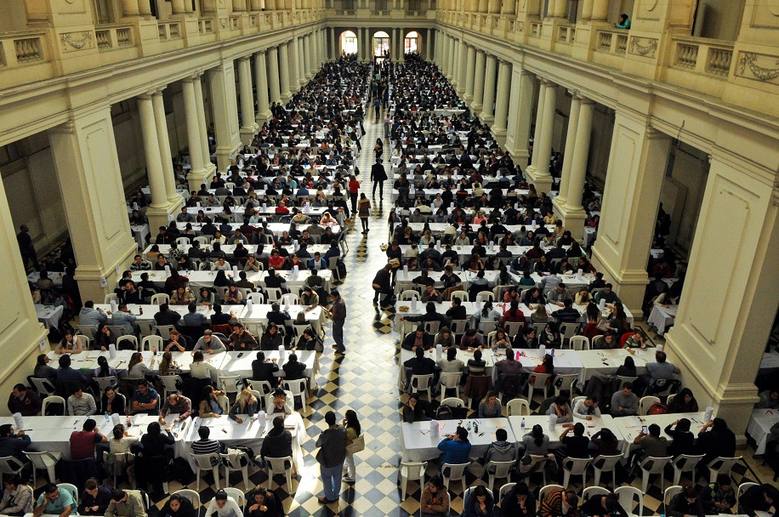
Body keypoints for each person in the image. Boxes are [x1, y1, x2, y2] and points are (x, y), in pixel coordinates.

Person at [316, 411, 347, 504]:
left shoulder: (325, 435)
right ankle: (336, 495)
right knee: (338, 478)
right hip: (339, 460)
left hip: (328, 462)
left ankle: (329, 498)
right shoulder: (342, 430)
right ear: (335, 419)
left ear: (326, 421)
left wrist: (321, 435)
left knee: (327, 480)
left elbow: (317, 444)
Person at [343, 409, 362, 483]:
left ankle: (352, 477)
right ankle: (345, 466)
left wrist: (343, 425)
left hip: (349, 447)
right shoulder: (356, 424)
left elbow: (344, 436)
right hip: (352, 445)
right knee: (348, 459)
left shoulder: (350, 430)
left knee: (350, 460)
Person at [329, 290, 347, 354]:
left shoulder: (339, 304)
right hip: (337, 320)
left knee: (335, 335)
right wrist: (330, 310)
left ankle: (341, 348)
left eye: (332, 297)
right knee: (339, 333)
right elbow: (334, 307)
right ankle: (339, 344)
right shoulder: (337, 301)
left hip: (338, 321)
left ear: (336, 296)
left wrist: (332, 317)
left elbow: (341, 315)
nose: (331, 298)